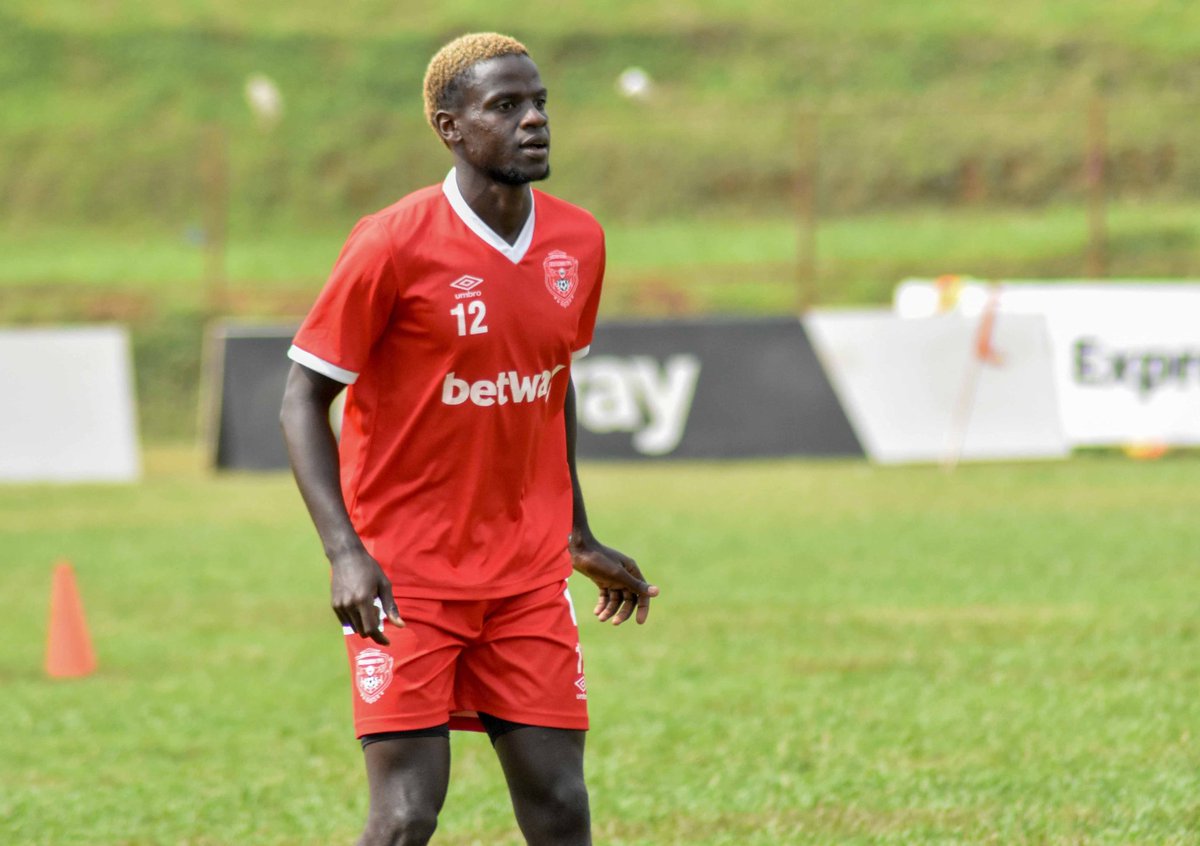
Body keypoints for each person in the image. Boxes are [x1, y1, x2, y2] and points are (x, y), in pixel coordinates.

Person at [279, 32, 659, 846]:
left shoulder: (579, 242)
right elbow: (301, 400)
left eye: (541, 103)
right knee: (408, 814)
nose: (534, 122)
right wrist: (344, 552)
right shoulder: (391, 241)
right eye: (506, 106)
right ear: (450, 128)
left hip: (525, 576)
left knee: (561, 806)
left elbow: (552, 391)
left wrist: (577, 535)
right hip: (406, 577)